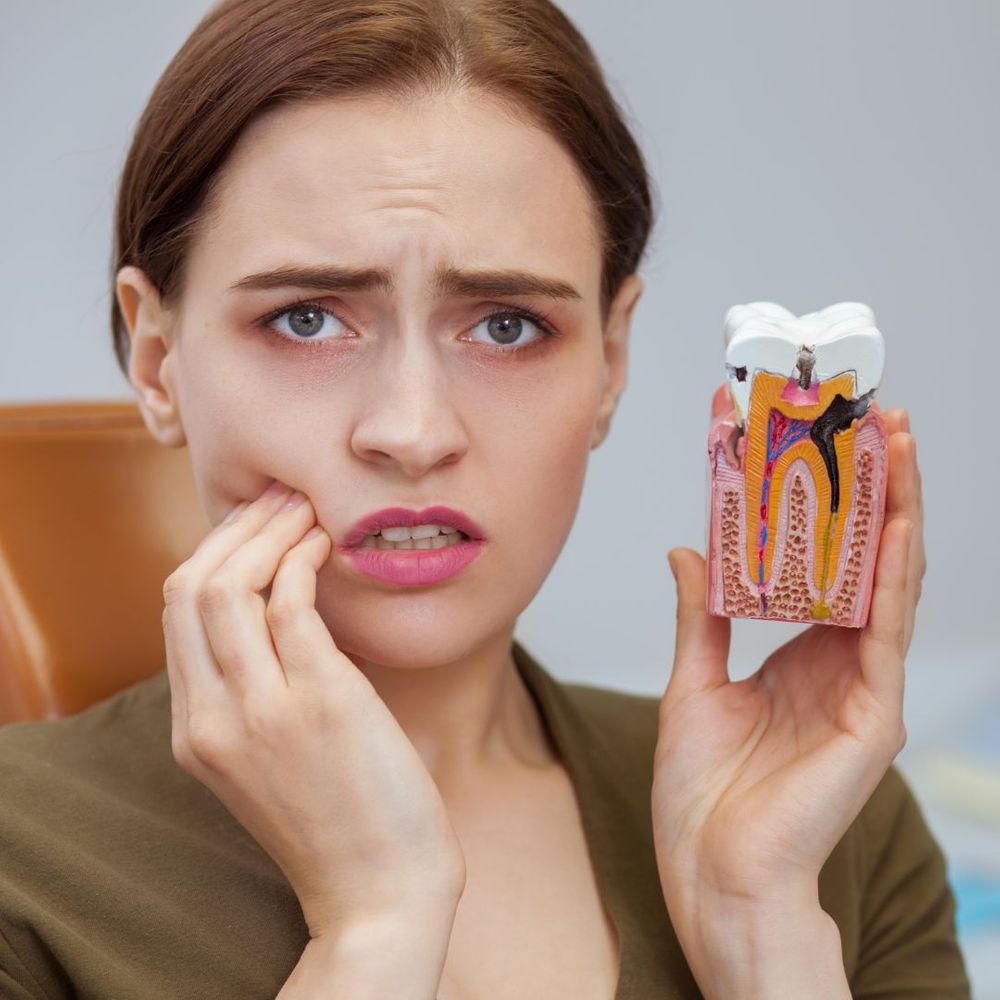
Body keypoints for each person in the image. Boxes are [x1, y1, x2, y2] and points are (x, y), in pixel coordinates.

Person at [0, 0, 971, 997]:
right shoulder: (18, 864)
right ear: (157, 362)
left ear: (611, 358)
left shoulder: (819, 824)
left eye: (506, 325)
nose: (414, 432)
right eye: (304, 318)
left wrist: (762, 935)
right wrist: (374, 931)